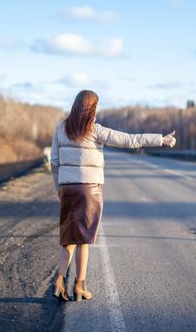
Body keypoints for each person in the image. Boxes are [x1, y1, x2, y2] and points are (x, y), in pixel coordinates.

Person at [50, 89, 176, 302]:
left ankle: (59, 280)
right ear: (91, 108)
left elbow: (54, 161)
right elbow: (128, 140)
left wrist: (59, 188)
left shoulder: (60, 128)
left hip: (68, 189)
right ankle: (79, 285)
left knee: (68, 238)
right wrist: (160, 140)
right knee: (83, 240)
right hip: (89, 190)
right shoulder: (94, 130)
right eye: (96, 107)